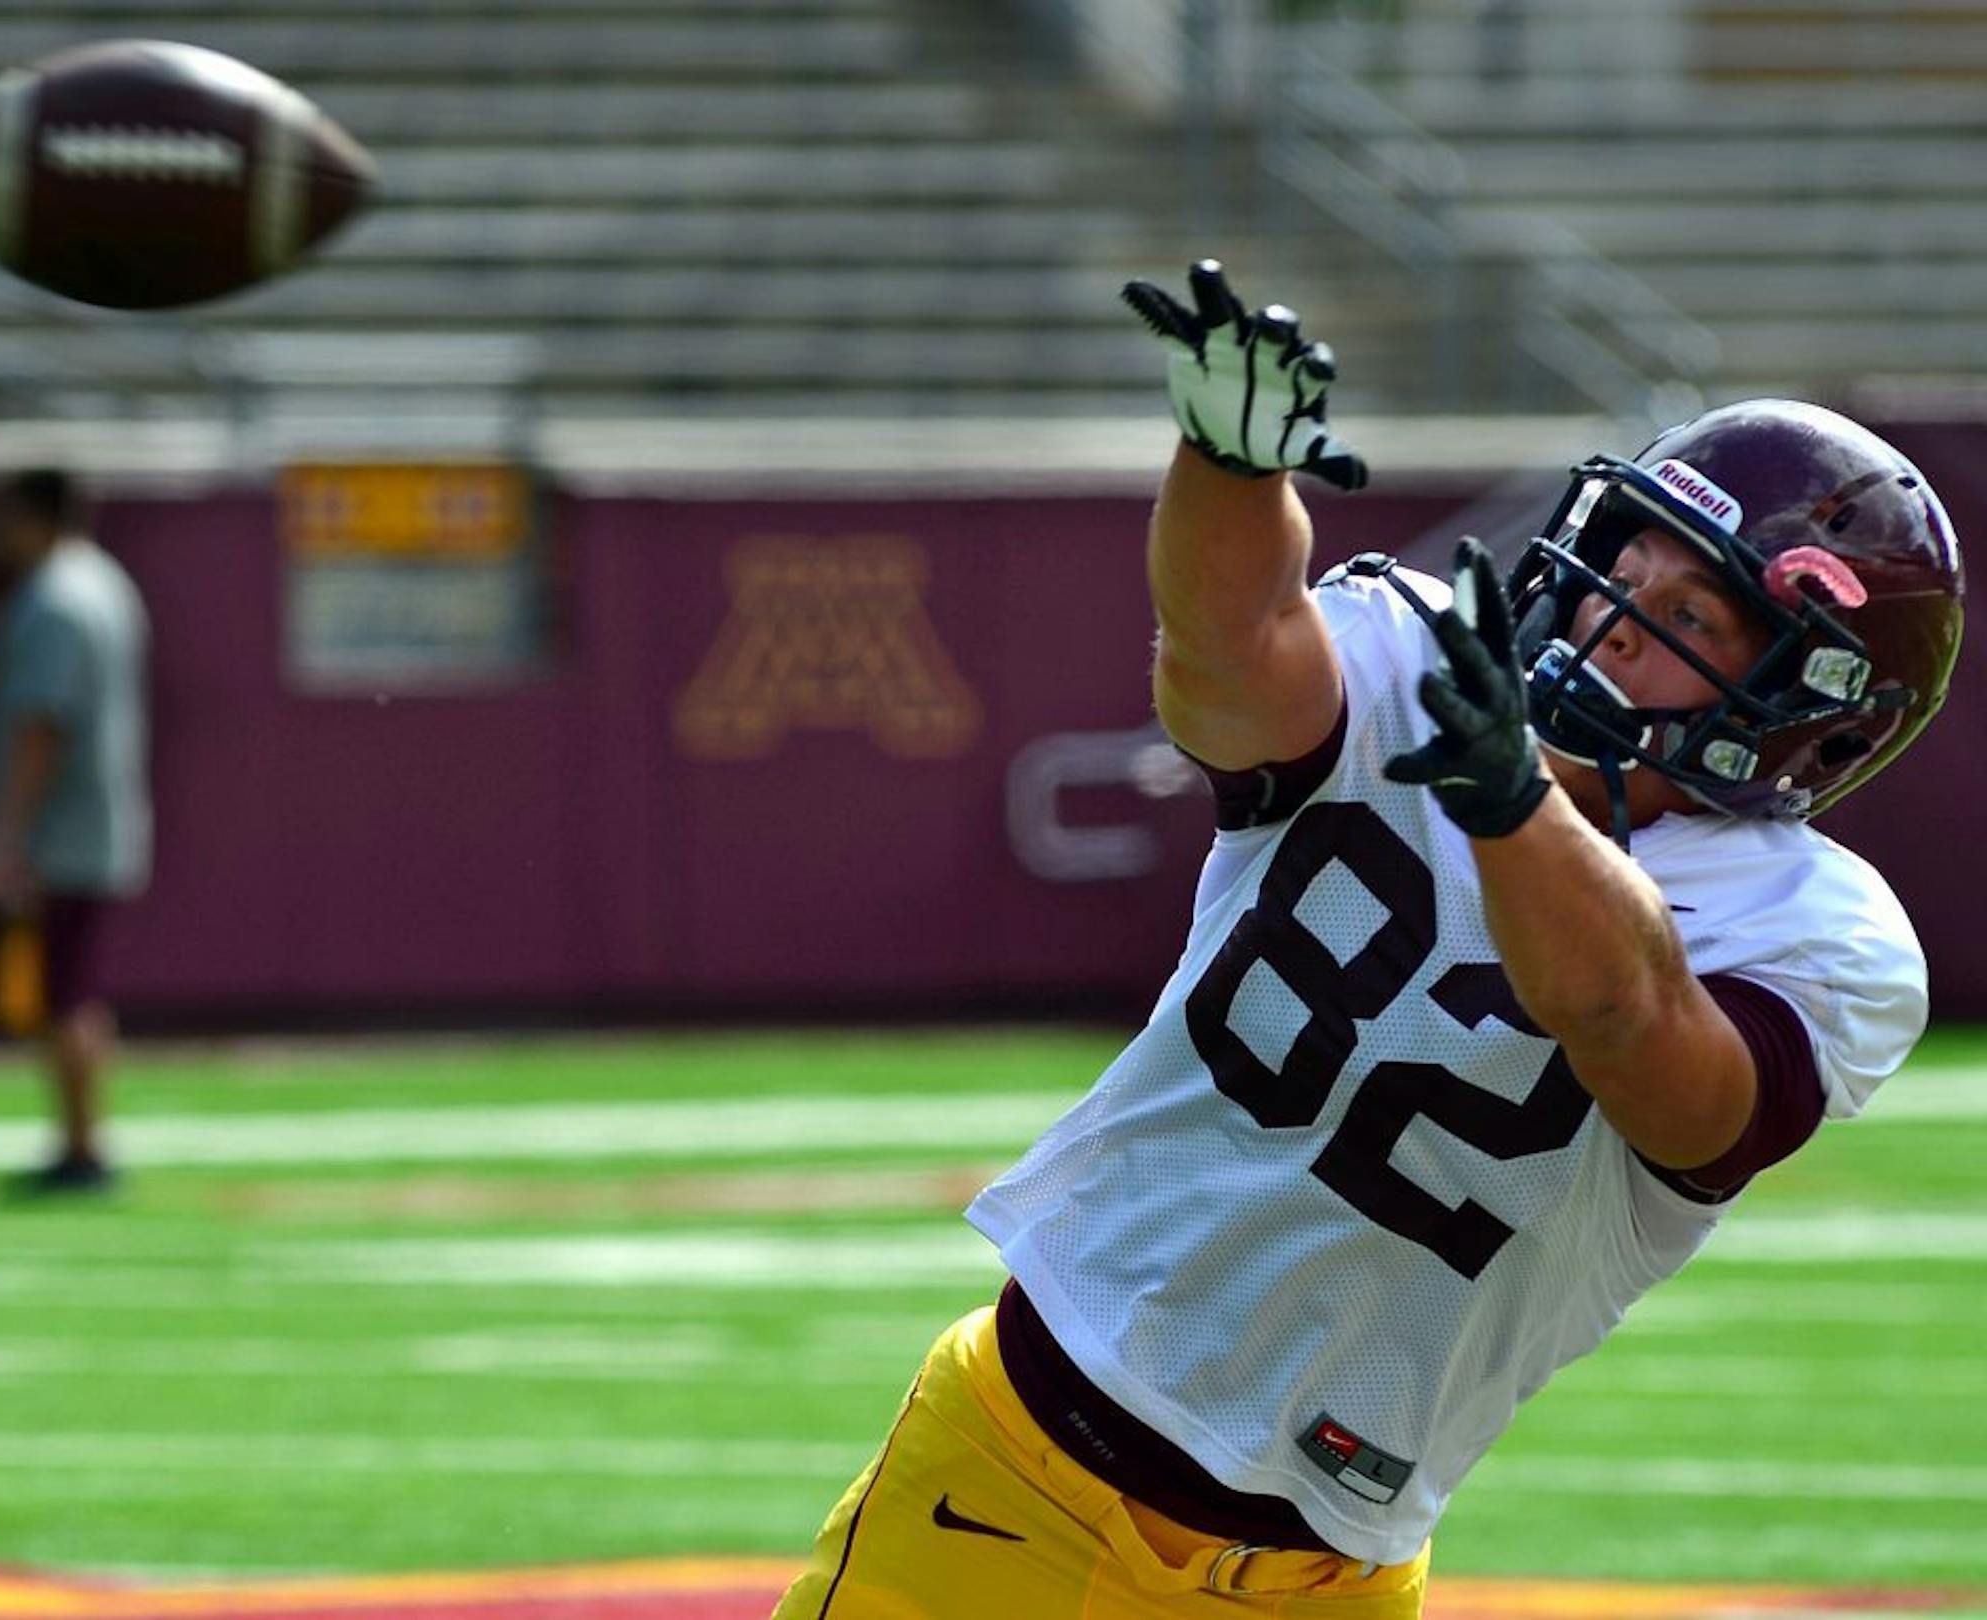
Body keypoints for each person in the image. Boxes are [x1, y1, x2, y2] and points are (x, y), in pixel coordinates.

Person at [772, 262, 1965, 1617]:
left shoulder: (1821, 936)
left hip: (1330, 1578)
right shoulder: (1415, 661)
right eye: (1623, 569)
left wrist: (1515, 808)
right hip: (1017, 1474)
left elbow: (1646, 1045)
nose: (1606, 619)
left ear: (1811, 712)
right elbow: (1223, 653)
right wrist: (1225, 464)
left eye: (1686, 618)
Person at [0, 468, 152, 1195]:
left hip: (62, 828)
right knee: (73, 987)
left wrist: (4, 834)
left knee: (63, 991)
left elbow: (42, 723)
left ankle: (82, 1147)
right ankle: (81, 1140)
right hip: (98, 817)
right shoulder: (106, 585)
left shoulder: (54, 600)